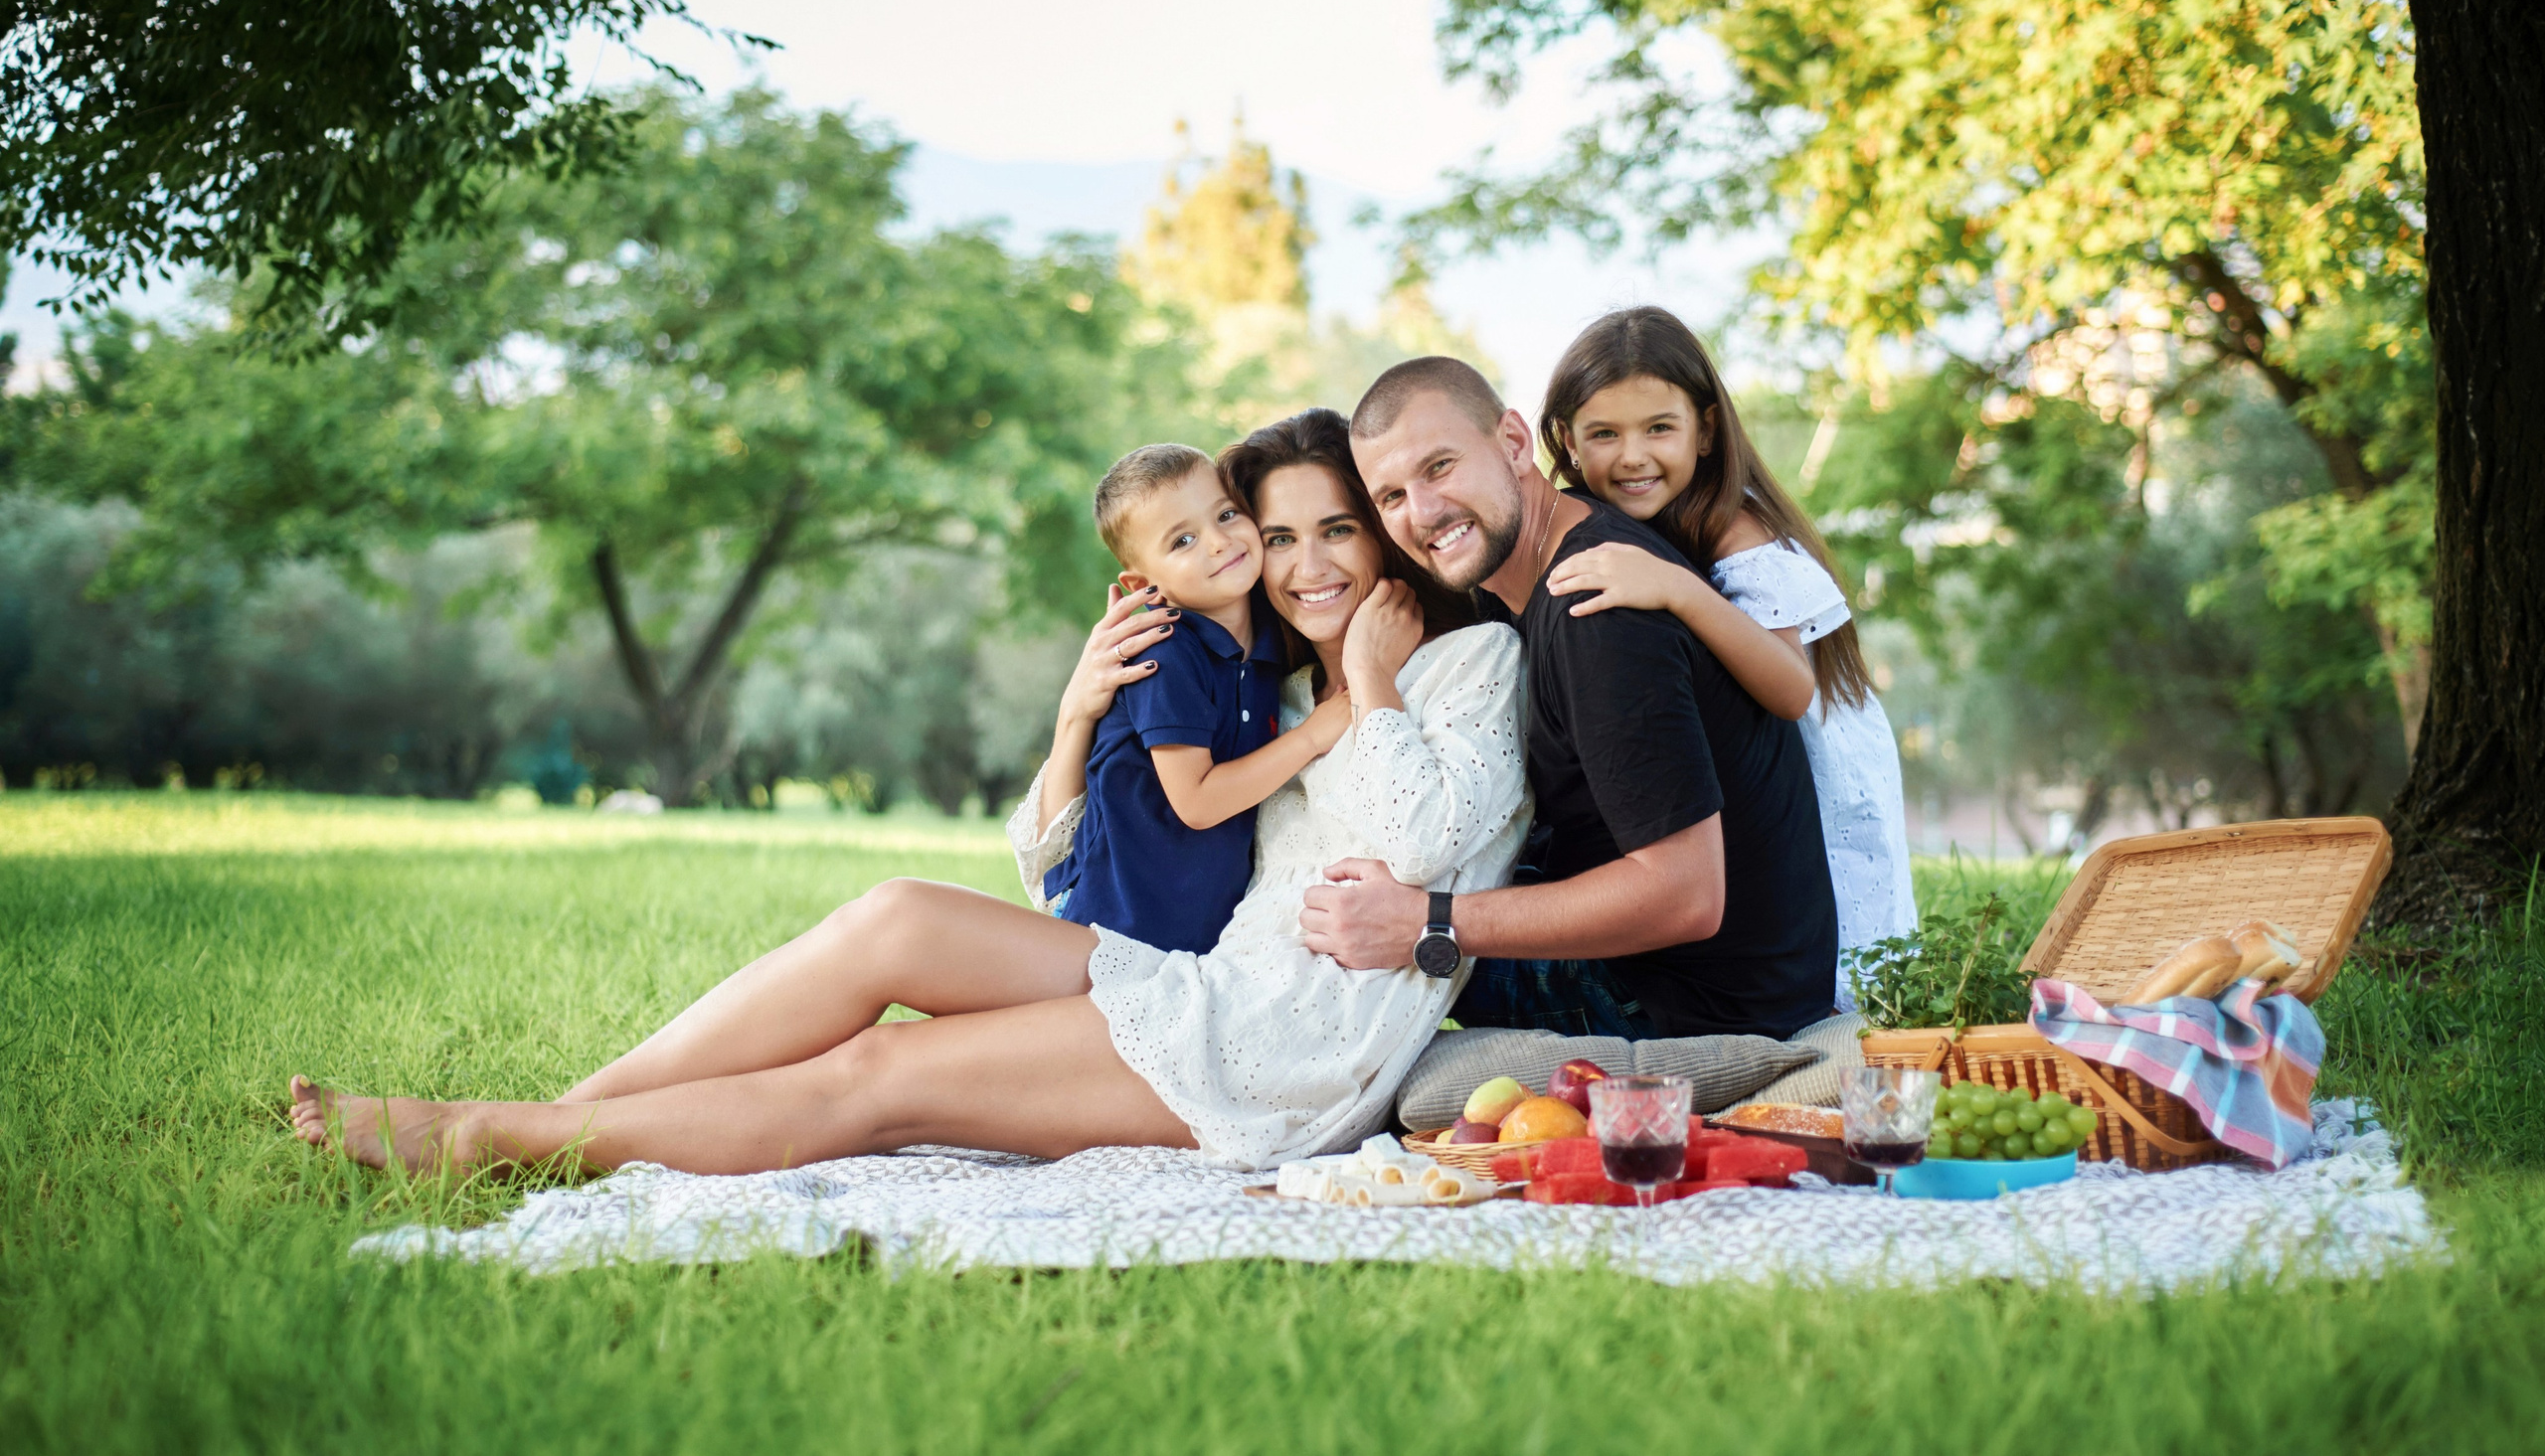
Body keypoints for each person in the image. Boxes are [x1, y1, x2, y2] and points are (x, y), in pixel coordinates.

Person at [287, 408, 1529, 1176]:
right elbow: (1064, 859)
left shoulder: (1465, 661)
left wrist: (1371, 685)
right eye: (1278, 533)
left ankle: (488, 1139)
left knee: (880, 1076)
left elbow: (1425, 842)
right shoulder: (1269, 681)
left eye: (1338, 530)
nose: (1304, 564)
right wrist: (1075, 717)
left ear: (1384, 536)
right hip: (1195, 975)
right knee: (894, 916)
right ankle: (551, 1115)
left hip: (1287, 1044)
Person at [1317, 356, 1839, 1042]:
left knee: (1329, 968)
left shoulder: (1596, 610)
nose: (1423, 512)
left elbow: (1687, 894)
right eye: (1391, 497)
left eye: (1440, 467)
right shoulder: (1509, 573)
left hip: (1692, 1002)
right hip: (1671, 969)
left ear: (1513, 442)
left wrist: (1427, 920)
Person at [1535, 309, 1917, 1002]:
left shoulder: (1734, 528)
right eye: (1604, 434)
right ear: (1566, 440)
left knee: (1849, 938)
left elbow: (1792, 689)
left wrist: (1679, 590)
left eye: (1659, 428)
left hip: (1821, 757)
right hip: (1758, 765)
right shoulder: (1606, 526)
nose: (1633, 456)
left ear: (1706, 430)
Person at [1037, 442, 1352, 954]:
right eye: (1183, 540)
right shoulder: (1164, 653)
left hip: (1196, 934)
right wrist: (1313, 735)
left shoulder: (1268, 640)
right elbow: (1198, 802)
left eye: (1226, 515)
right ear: (1144, 584)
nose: (1219, 542)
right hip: (1110, 923)